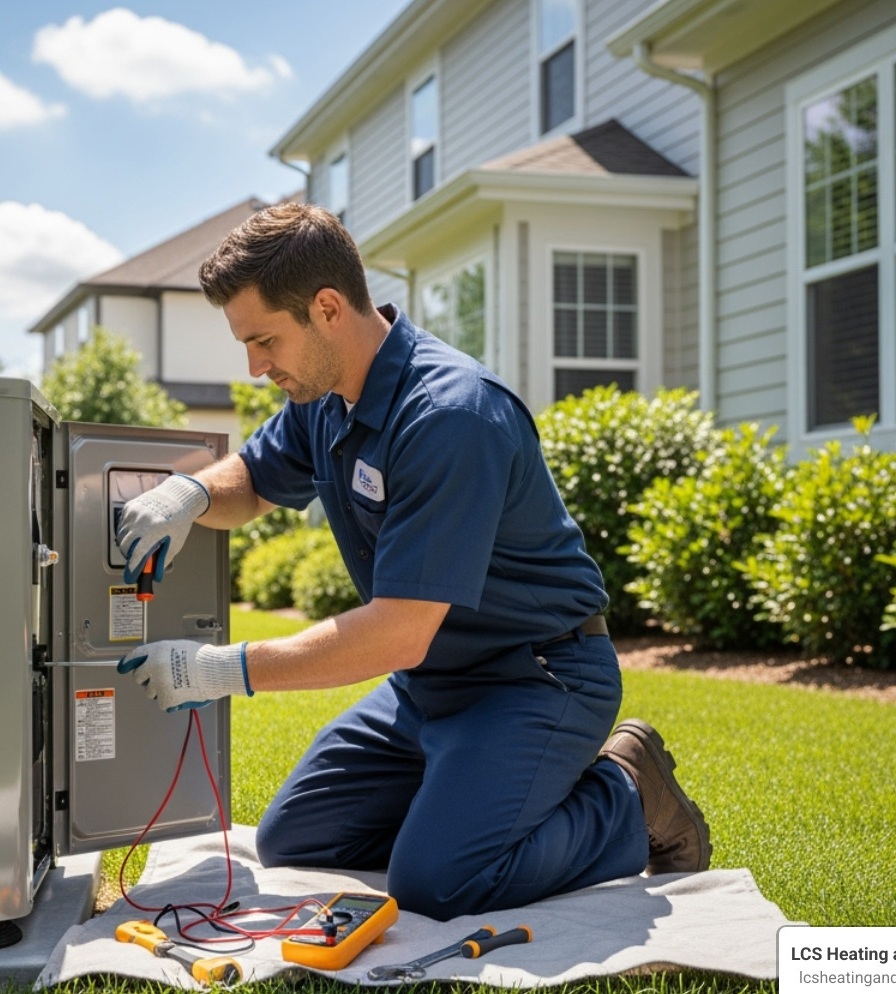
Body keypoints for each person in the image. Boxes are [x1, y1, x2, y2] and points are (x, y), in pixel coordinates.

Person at [114, 202, 709, 921]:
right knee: (295, 839)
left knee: (437, 886)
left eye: (265, 340)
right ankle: (467, 801)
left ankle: (624, 790)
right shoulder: (324, 397)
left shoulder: (450, 416)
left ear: (327, 307)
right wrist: (188, 494)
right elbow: (254, 481)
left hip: (534, 679)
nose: (255, 366)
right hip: (429, 686)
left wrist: (216, 670)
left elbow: (398, 632)